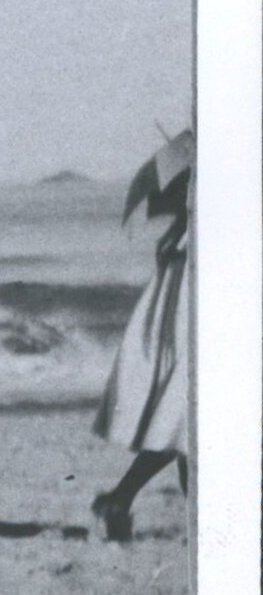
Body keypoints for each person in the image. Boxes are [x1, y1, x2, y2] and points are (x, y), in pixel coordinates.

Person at [90, 143, 191, 543]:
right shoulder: (193, 233)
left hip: (181, 334)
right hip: (192, 336)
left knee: (185, 433)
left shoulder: (180, 233)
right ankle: (119, 499)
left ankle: (119, 501)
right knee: (183, 430)